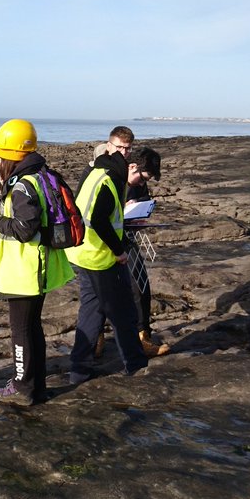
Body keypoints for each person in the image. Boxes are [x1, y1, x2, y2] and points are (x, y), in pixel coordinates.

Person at [0, 119, 74, 406]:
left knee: (22, 331)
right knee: (33, 328)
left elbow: (24, 228)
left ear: (11, 153)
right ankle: (36, 386)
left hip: (24, 271)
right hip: (40, 268)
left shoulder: (23, 186)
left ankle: (22, 388)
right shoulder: (40, 175)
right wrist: (2, 192)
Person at [65, 129, 151, 383]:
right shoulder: (110, 177)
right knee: (123, 313)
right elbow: (100, 220)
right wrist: (119, 250)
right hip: (99, 256)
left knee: (91, 312)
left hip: (82, 252)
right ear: (109, 146)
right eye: (120, 147)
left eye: (128, 148)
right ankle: (137, 367)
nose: (124, 152)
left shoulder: (96, 170)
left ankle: (79, 371)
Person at [123, 145, 169, 357]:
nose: (143, 183)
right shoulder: (111, 179)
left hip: (128, 236)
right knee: (101, 293)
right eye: (143, 178)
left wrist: (140, 211)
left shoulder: (139, 182)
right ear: (132, 167)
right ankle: (96, 339)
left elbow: (143, 200)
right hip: (105, 242)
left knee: (140, 286)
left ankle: (143, 336)